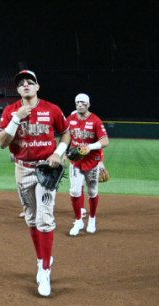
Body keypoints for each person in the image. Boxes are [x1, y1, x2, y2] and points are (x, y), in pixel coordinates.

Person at [0, 70, 70, 297]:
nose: (25, 85)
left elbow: (66, 133)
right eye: (21, 84)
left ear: (37, 87)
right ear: (18, 90)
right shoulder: (11, 111)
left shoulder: (52, 109)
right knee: (30, 217)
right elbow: (1, 142)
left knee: (44, 219)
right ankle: (41, 259)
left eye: (30, 82)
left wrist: (58, 152)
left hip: (47, 169)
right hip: (23, 169)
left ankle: (45, 270)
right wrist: (17, 118)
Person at [65, 93, 109, 236]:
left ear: (88, 104)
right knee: (75, 191)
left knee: (92, 192)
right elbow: (65, 137)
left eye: (83, 103)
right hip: (76, 162)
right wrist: (64, 153)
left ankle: (92, 219)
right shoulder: (70, 120)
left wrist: (90, 147)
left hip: (92, 162)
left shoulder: (95, 120)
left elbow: (105, 141)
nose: (80, 105)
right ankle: (78, 221)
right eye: (77, 102)